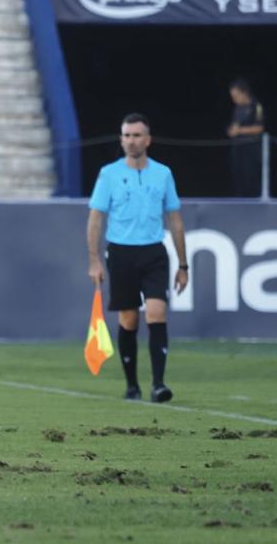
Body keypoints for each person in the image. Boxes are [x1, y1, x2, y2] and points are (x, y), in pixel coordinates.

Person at [86, 113, 188, 403]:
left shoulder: (163, 174)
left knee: (157, 313)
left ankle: (158, 384)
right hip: (121, 252)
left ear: (148, 139)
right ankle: (132, 385)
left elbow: (176, 220)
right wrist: (94, 259)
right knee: (129, 320)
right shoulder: (109, 174)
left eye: (137, 135)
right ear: (121, 139)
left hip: (154, 251)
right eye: (127, 136)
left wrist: (183, 264)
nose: (132, 141)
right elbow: (95, 218)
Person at [227, 79, 265, 197]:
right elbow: (235, 124)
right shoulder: (237, 108)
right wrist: (232, 130)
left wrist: (239, 131)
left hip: (251, 150)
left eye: (236, 96)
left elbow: (260, 128)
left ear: (244, 93)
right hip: (238, 149)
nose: (234, 99)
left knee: (251, 180)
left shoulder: (256, 106)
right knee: (239, 180)